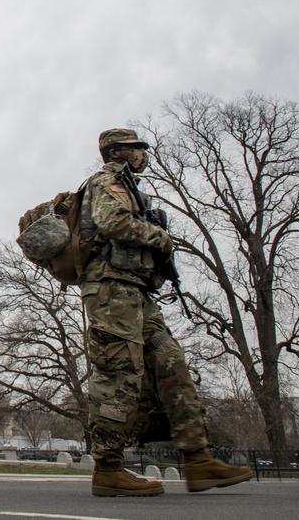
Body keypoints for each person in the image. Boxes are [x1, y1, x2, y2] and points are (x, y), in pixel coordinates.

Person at [81, 128, 253, 497]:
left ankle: (198, 458)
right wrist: (160, 237)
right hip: (112, 291)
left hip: (137, 292)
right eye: (136, 148)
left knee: (172, 361)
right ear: (117, 152)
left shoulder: (129, 185)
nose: (143, 154)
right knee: (119, 373)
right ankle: (108, 469)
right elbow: (113, 223)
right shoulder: (106, 181)